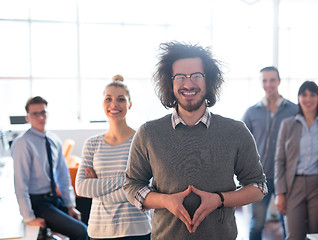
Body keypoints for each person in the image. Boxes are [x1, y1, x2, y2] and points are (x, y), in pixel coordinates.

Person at [123, 41, 267, 240]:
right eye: (180, 77)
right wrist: (165, 201)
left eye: (196, 76)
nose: (188, 84)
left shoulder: (236, 131)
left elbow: (258, 187)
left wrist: (219, 200)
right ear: (169, 82)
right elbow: (132, 185)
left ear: (209, 82)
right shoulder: (148, 133)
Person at [75, 75, 151, 240]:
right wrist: (128, 180)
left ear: (129, 104)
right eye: (108, 99)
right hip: (99, 230)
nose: (114, 104)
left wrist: (97, 190)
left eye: (121, 99)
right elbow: (81, 187)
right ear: (103, 103)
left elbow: (146, 187)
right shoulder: (92, 144)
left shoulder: (141, 140)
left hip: (136, 230)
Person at [11, 96, 88, 240]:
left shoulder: (53, 140)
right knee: (80, 232)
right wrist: (28, 217)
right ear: (28, 117)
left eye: (43, 112)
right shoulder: (23, 143)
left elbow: (63, 176)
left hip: (53, 199)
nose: (40, 117)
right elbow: (20, 184)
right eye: (35, 113)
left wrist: (70, 205)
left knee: (88, 225)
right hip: (37, 202)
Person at [274, 81, 318, 240]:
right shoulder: (287, 124)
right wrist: (280, 193)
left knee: (317, 233)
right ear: (298, 98)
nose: (308, 99)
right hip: (293, 185)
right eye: (304, 94)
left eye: (312, 94)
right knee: (294, 235)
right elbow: (279, 160)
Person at [242, 66, 297, 240]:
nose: (268, 84)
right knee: (257, 223)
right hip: (259, 178)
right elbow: (242, 145)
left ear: (279, 81)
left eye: (272, 80)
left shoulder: (294, 110)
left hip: (286, 177)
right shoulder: (251, 112)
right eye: (264, 80)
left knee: (288, 224)